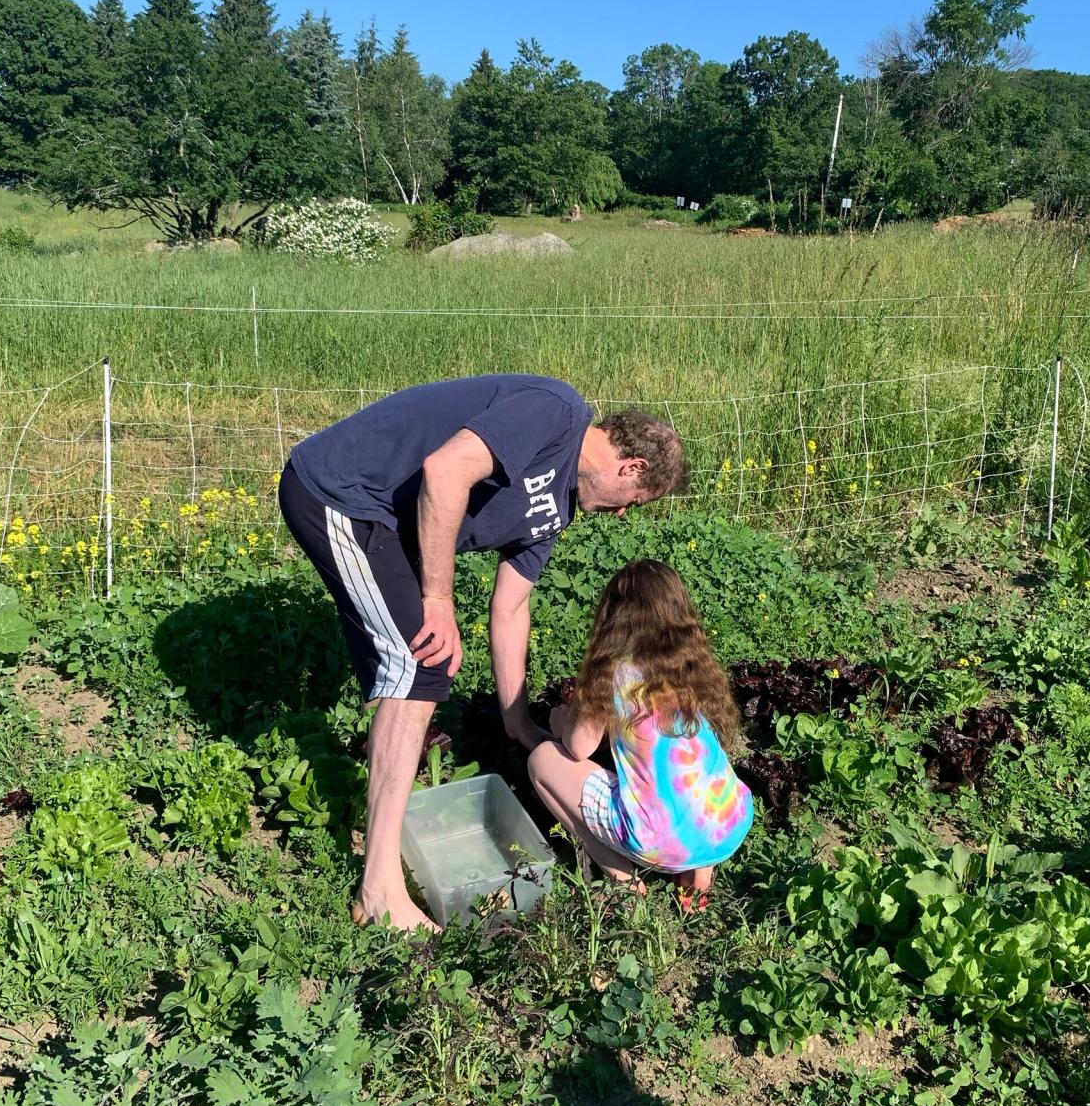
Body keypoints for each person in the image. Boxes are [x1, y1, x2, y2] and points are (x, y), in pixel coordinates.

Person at [278, 374, 689, 932]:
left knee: (416, 666)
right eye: (634, 503)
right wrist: (437, 598)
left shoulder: (556, 511)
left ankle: (381, 863)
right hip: (343, 493)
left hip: (384, 524)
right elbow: (445, 470)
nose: (621, 514)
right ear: (632, 468)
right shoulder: (556, 413)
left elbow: (511, 608)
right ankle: (377, 891)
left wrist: (517, 720)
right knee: (419, 663)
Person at [528, 559, 753, 907]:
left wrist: (559, 723)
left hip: (657, 839)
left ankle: (622, 877)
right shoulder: (693, 666)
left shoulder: (616, 674)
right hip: (727, 821)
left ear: (612, 620)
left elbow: (579, 747)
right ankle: (699, 874)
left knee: (542, 761)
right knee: (694, 772)